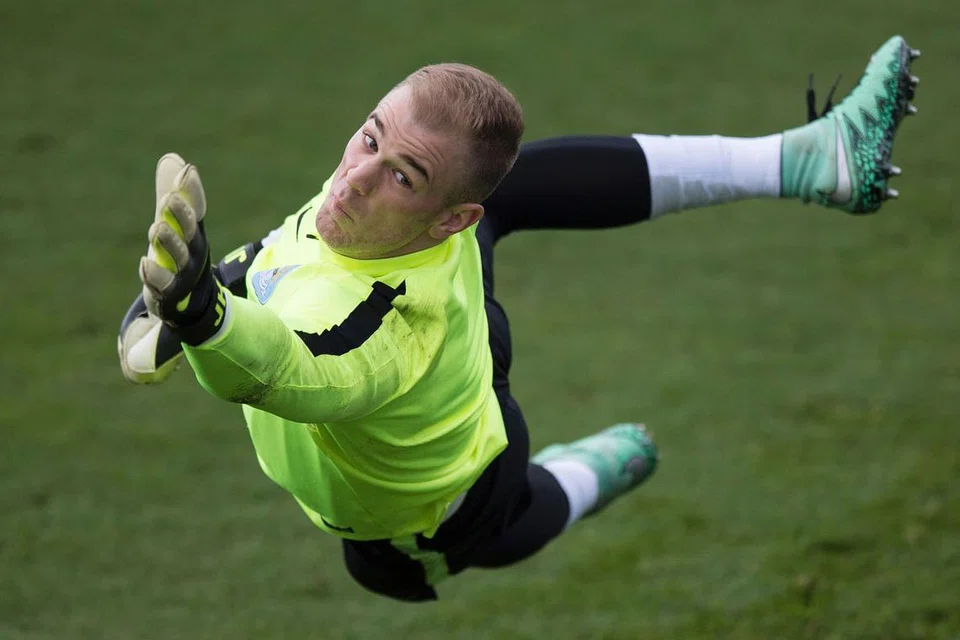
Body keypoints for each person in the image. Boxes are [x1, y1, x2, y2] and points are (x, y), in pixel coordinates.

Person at [121, 35, 920, 601]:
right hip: (464, 327)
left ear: (446, 219)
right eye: (369, 137)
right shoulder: (398, 211)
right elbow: (281, 256)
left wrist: (203, 317)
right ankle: (809, 158)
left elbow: (292, 368)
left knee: (464, 545)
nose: (355, 179)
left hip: (453, 490)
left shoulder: (381, 325)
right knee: (514, 184)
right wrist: (204, 285)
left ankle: (594, 473)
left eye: (401, 174)